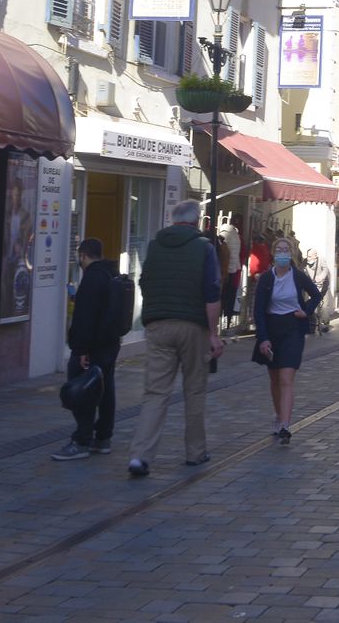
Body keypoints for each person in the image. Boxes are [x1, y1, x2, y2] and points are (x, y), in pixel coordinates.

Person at [127, 200, 224, 477]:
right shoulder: (204, 248)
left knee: (156, 392)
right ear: (197, 221)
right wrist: (214, 334)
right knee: (194, 389)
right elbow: (212, 293)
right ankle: (195, 452)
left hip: (158, 324)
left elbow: (145, 281)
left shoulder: (155, 246)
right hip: (193, 326)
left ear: (173, 219)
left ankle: (140, 455)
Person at [52, 238, 124, 460]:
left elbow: (85, 317)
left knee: (82, 388)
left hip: (92, 346)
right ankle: (103, 438)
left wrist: (81, 349)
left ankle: (81, 440)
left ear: (83, 255)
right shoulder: (112, 274)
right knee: (105, 389)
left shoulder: (92, 278)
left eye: (79, 257)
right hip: (110, 343)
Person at [254, 237, 324, 443]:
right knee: (274, 378)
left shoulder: (299, 276)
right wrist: (263, 338)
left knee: (286, 378)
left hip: (293, 328)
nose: (283, 253)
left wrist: (306, 311)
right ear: (274, 254)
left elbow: (316, 295)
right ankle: (278, 415)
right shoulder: (267, 278)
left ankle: (285, 424)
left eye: (286, 250)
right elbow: (258, 310)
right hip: (272, 328)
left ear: (291, 253)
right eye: (279, 250)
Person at [306, 249, 333, 334]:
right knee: (312, 306)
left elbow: (325, 270)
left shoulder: (321, 260)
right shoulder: (305, 262)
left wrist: (321, 277)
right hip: (312, 287)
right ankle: (313, 325)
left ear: (315, 255)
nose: (308, 258)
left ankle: (325, 324)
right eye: (307, 256)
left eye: (310, 256)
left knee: (324, 306)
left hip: (323, 286)